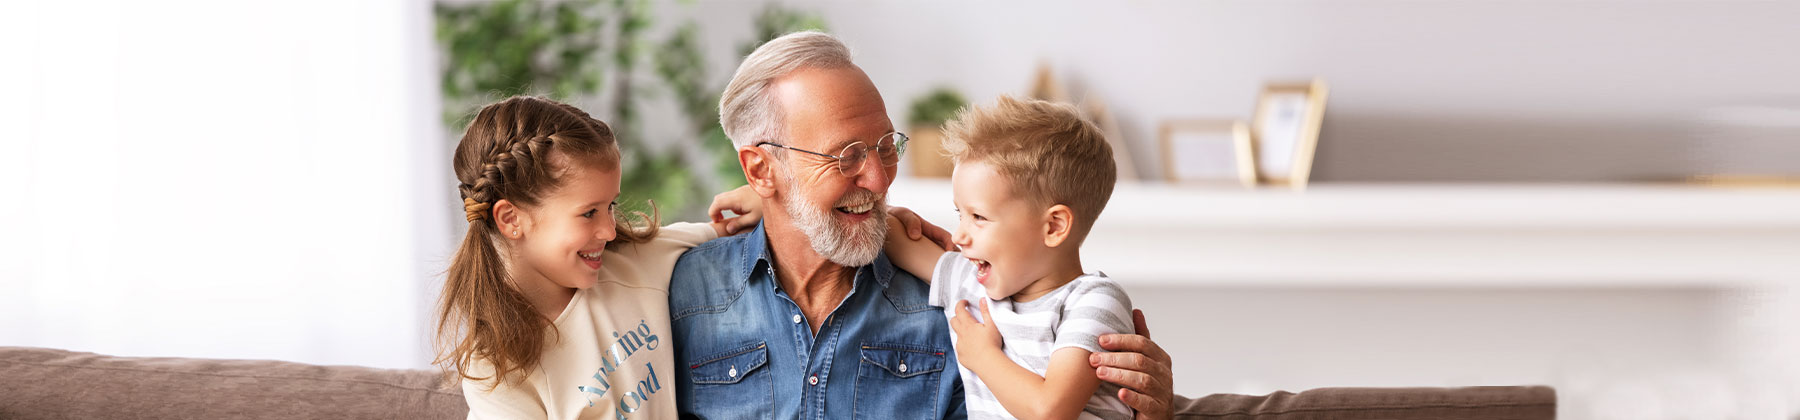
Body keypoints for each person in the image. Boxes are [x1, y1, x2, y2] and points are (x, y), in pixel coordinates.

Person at [668, 31, 1179, 419]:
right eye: (845, 156)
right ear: (761, 168)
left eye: (886, 147)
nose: (876, 177)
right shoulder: (679, 291)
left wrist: (1152, 407)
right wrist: (776, 204)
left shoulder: (963, 306)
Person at [435, 96, 764, 419]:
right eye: (589, 213)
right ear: (511, 220)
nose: (609, 230)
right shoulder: (498, 367)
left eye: (611, 206)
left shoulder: (637, 260)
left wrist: (766, 196)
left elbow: (731, 230)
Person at [884, 95, 1132, 420]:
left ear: (1054, 226)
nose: (959, 236)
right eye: (960, 214)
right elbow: (893, 238)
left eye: (979, 217)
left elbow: (1050, 410)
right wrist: (891, 214)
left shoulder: (1093, 302)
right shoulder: (972, 284)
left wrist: (983, 355)